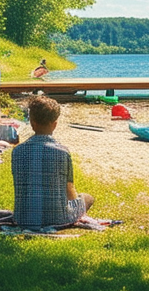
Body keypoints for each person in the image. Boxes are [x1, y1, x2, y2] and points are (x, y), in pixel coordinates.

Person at [12, 96, 94, 228]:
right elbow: (70, 190)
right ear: (55, 124)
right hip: (58, 218)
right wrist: (75, 206)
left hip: (23, 217)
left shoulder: (18, 151)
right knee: (87, 198)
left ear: (32, 122)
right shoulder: (62, 152)